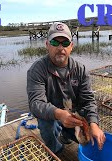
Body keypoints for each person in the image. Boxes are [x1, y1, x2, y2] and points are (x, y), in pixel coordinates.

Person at [26, 22, 106, 154]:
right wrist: (59, 114)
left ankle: (67, 135)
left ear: (71, 46)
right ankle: (56, 150)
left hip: (75, 115)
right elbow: (36, 103)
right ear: (47, 45)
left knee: (91, 126)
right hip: (53, 115)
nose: (60, 47)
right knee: (46, 124)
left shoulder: (80, 69)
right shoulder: (37, 70)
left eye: (65, 43)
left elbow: (88, 101)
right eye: (55, 43)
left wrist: (93, 124)